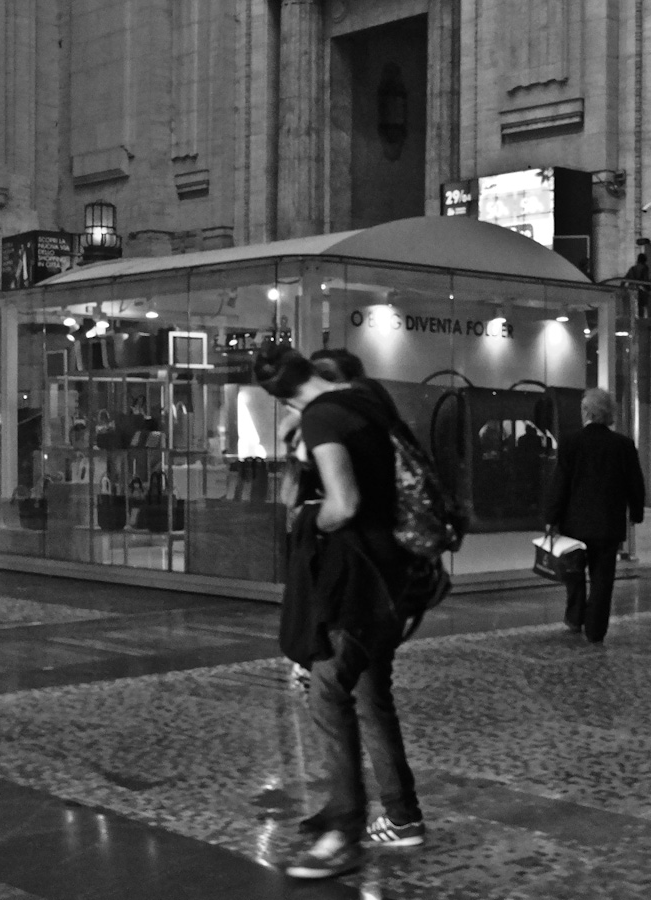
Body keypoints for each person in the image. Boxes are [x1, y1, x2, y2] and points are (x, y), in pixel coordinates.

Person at [254, 345, 426, 881]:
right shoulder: (368, 401)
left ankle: (344, 835)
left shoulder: (323, 417)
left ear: (283, 394)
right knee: (368, 693)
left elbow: (343, 503)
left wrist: (313, 521)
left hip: (356, 576)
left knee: (327, 691)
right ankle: (396, 813)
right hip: (390, 573)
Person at [546, 388, 645, 644]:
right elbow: (635, 483)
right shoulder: (623, 445)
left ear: (587, 412)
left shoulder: (571, 442)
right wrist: (636, 512)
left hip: (575, 523)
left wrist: (551, 517)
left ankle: (575, 616)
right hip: (608, 524)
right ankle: (596, 629)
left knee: (574, 572)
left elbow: (560, 483)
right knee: (603, 578)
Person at [624, 252, 651, 317]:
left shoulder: (632, 268)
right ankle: (641, 320)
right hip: (641, 290)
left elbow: (625, 279)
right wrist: (649, 290)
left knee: (632, 308)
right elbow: (646, 280)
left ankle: (633, 320)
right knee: (641, 308)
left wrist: (621, 288)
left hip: (631, 289)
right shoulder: (645, 268)